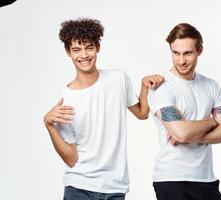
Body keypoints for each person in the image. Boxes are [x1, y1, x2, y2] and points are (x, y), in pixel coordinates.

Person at [43, 18, 164, 200]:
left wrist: (144, 86)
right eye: (76, 49)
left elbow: (142, 113)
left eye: (89, 47)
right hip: (79, 187)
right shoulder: (66, 99)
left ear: (98, 47)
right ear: (68, 52)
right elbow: (71, 158)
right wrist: (48, 125)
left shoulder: (118, 79)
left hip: (114, 187)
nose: (84, 55)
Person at [148, 23, 221, 200]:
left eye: (187, 53)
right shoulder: (161, 87)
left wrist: (193, 135)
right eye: (176, 53)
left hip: (206, 178)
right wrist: (211, 122)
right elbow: (181, 134)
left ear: (199, 51)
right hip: (172, 180)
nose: (181, 61)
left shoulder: (211, 86)